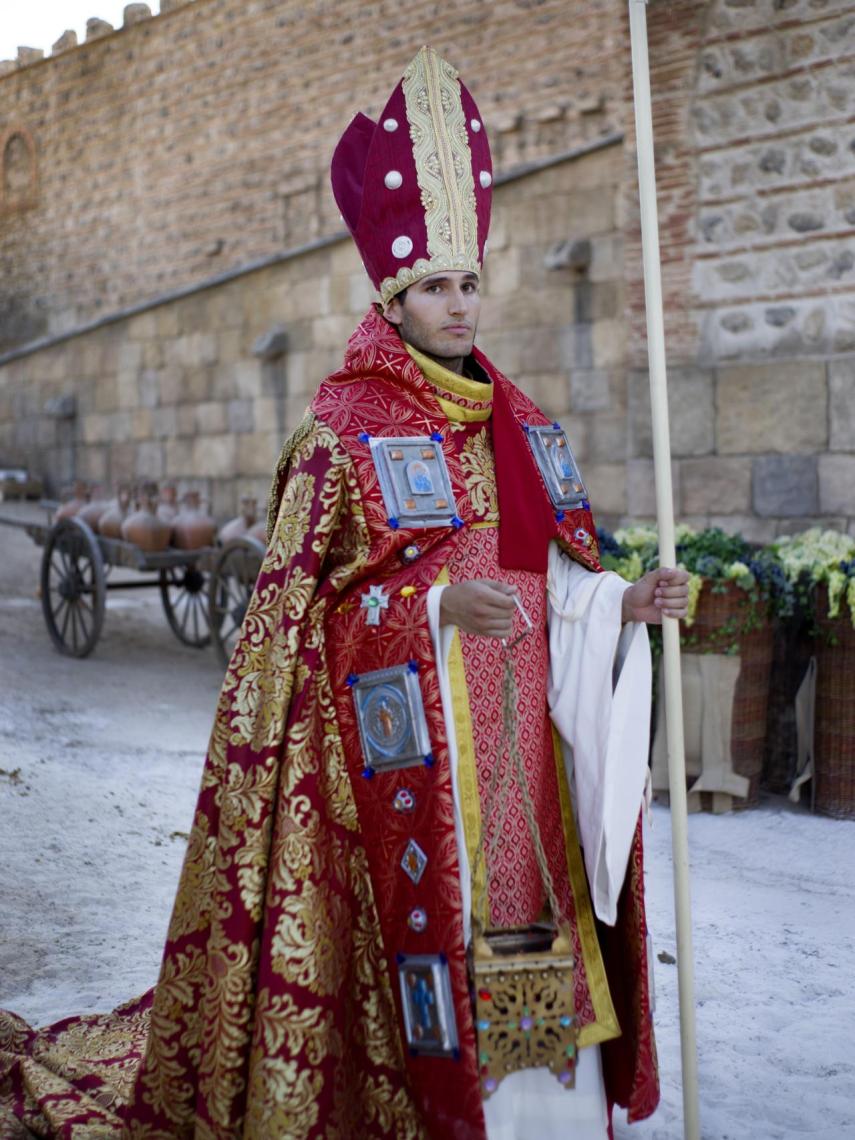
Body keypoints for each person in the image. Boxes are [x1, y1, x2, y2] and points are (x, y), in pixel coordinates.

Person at [0, 46, 688, 1139]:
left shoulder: (526, 426)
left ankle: (532, 1119)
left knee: (530, 928)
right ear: (394, 293)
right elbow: (287, 633)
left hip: (519, 765)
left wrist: (620, 604)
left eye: (470, 282)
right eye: (436, 286)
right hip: (409, 776)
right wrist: (425, 615)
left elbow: (560, 574)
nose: (459, 303)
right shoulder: (340, 435)